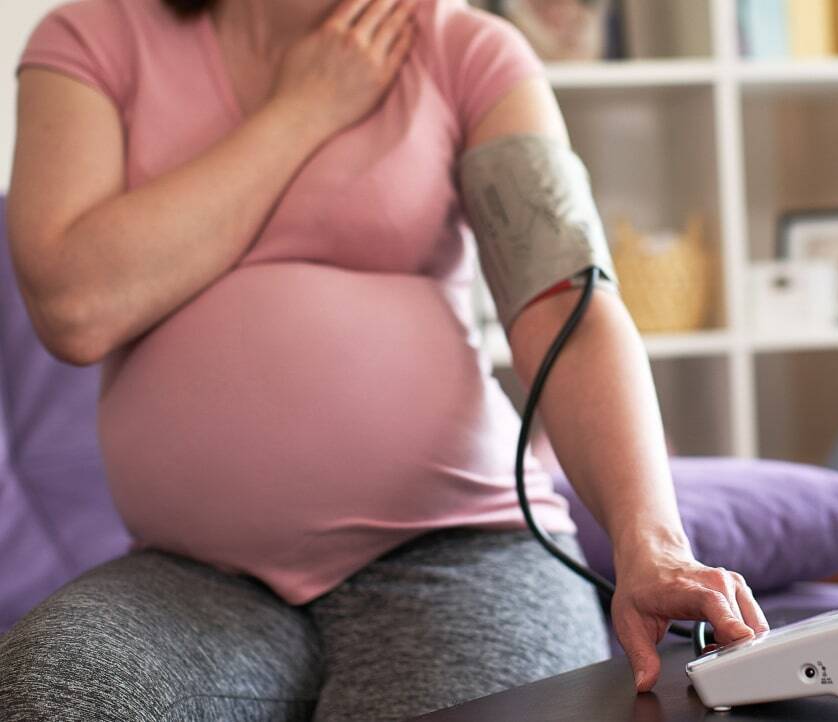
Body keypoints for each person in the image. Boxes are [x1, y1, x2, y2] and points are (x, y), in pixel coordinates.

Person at [0, 1, 767, 719]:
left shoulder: (464, 48)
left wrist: (651, 542)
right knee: (49, 694)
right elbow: (75, 307)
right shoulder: (91, 38)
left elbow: (565, 308)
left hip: (462, 552)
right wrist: (305, 108)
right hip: (190, 575)